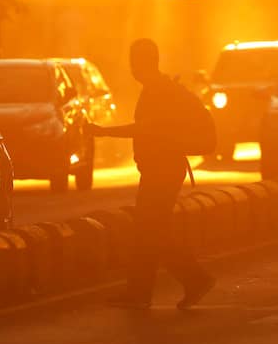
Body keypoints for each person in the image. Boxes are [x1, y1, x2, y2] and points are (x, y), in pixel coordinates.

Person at [89, 38, 215, 310]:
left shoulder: (158, 91)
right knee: (150, 230)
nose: (131, 68)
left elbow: (144, 129)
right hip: (161, 168)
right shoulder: (157, 88)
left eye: (134, 61)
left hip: (163, 169)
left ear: (142, 62)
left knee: (150, 230)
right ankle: (144, 291)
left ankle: (191, 279)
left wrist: (104, 131)